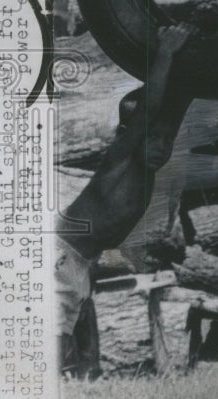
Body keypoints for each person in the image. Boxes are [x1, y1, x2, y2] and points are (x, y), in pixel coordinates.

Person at [54, 22, 194, 371]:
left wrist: (194, 66)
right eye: (153, 138)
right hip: (56, 254)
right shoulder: (122, 159)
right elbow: (148, 112)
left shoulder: (147, 176)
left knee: (62, 338)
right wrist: (165, 53)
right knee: (52, 337)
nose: (161, 147)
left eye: (167, 141)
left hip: (81, 264)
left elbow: (171, 110)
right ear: (133, 135)